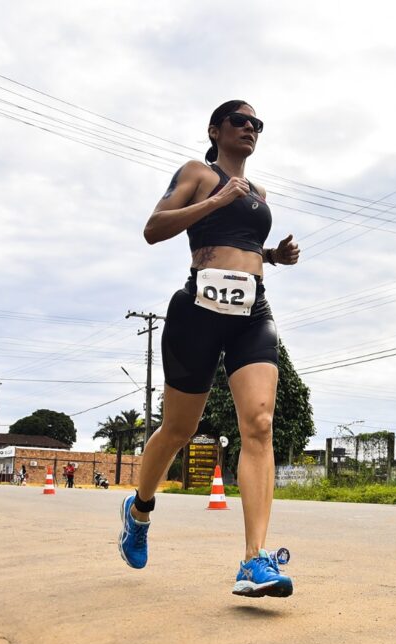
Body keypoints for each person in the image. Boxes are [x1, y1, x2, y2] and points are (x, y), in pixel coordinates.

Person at [118, 100, 300, 598]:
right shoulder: (200, 173)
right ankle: (139, 510)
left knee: (259, 423)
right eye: (240, 121)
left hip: (251, 313)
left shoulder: (258, 193)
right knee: (180, 427)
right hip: (197, 308)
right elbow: (154, 228)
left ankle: (253, 561)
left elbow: (237, 244)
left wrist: (271, 257)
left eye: (257, 124)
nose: (250, 129)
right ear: (215, 130)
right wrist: (217, 201)